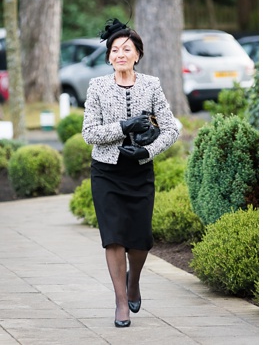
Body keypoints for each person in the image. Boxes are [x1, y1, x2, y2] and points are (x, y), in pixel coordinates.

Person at [82, 19, 179, 327]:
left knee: (139, 241)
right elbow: (90, 133)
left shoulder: (151, 85)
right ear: (109, 56)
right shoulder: (97, 87)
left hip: (139, 172)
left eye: (127, 49)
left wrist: (147, 151)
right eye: (114, 50)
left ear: (138, 54)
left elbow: (172, 128)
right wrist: (123, 127)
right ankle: (121, 302)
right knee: (114, 239)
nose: (120, 54)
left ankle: (133, 280)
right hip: (106, 173)